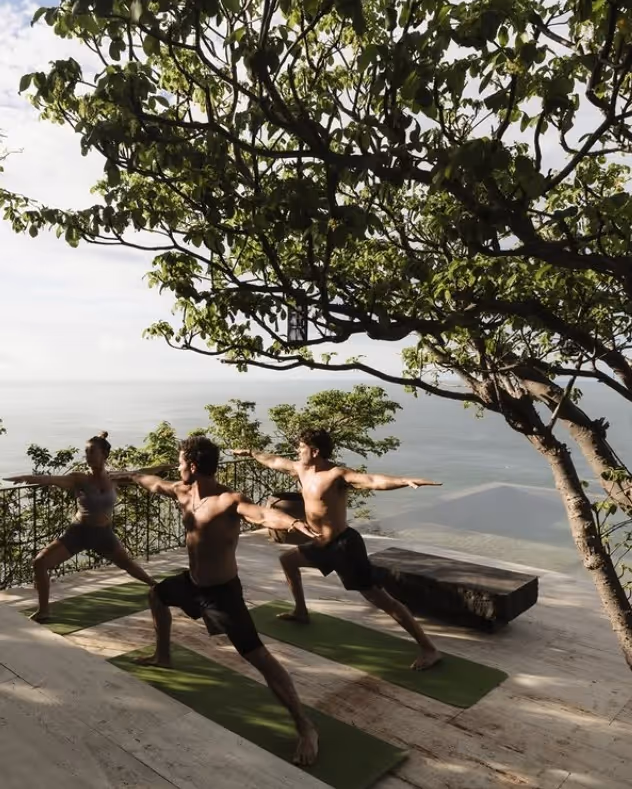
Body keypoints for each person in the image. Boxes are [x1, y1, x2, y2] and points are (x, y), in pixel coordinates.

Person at [120, 435, 319, 766]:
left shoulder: (228, 500)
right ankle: (163, 655)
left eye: (181, 461)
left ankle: (306, 727)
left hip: (223, 594)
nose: (177, 466)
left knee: (260, 659)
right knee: (156, 595)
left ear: (193, 466)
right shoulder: (183, 493)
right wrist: (128, 476)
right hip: (193, 583)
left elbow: (261, 515)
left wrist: (294, 522)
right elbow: (153, 483)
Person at [233, 428, 444, 670]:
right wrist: (251, 452)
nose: (297, 451)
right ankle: (301, 612)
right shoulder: (301, 469)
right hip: (321, 544)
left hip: (345, 546)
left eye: (301, 447)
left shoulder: (336, 475)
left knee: (380, 599)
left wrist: (404, 481)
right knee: (288, 561)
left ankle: (429, 649)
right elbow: (273, 461)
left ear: (315, 451)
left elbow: (372, 480)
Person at [4, 431, 158, 622]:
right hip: (78, 532)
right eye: (86, 452)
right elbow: (50, 479)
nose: (88, 456)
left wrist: (168, 471)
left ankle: (157, 586)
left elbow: (143, 474)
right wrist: (26, 477)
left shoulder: (115, 478)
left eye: (92, 451)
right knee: (40, 563)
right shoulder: (79, 479)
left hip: (103, 534)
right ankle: (44, 611)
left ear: (104, 455)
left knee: (127, 564)